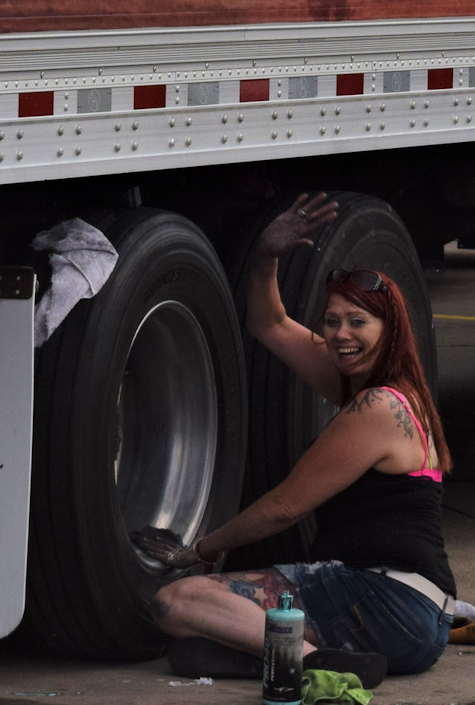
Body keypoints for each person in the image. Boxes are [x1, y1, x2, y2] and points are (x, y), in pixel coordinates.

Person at [145, 193, 457, 685]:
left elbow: (283, 508)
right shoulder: (381, 388)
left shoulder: (378, 407)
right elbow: (268, 324)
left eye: (358, 322)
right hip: (415, 616)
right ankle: (298, 657)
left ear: (391, 329)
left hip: (384, 601)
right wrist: (266, 255)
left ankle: (317, 666)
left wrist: (202, 549)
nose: (340, 335)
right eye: (332, 321)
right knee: (193, 649)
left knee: (176, 601)